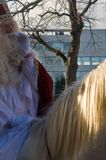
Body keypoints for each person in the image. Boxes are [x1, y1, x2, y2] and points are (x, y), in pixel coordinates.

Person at [0, 0, 53, 159]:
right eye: (4, 33)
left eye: (11, 30)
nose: (11, 37)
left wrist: (27, 58)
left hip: (35, 133)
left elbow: (45, 94)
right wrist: (30, 124)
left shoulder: (29, 65)